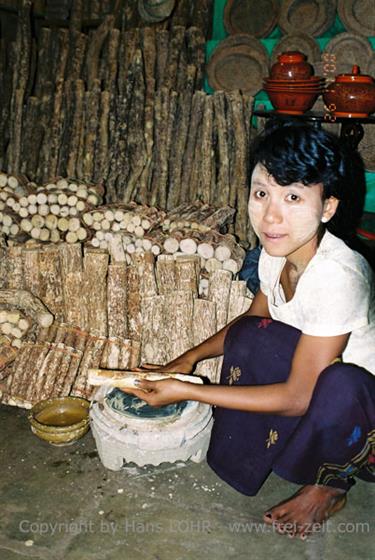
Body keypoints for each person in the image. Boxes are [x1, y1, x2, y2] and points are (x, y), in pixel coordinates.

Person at [125, 123, 375, 539]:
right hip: (317, 398)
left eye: (293, 197)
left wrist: (190, 390)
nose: (271, 216)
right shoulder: (277, 252)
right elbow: (251, 321)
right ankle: (284, 453)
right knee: (253, 334)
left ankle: (330, 484)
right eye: (262, 193)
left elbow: (297, 398)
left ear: (327, 208)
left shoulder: (339, 276)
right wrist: (189, 360)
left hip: (362, 422)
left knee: (340, 382)